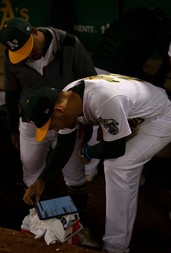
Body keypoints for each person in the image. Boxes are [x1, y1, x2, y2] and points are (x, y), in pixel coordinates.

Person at [23, 73, 171, 253]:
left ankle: (116, 249)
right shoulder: (68, 97)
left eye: (51, 125)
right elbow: (64, 145)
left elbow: (115, 149)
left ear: (59, 111)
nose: (53, 129)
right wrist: (42, 179)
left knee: (118, 166)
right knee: (116, 163)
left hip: (163, 115)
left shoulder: (104, 100)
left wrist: (88, 152)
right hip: (139, 113)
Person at [0, 17, 99, 224]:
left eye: (29, 48)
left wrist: (86, 124)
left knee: (74, 175)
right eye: (21, 53)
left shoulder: (69, 43)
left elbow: (91, 83)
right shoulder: (13, 56)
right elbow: (11, 92)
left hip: (66, 120)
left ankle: (80, 226)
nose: (28, 55)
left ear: (35, 31)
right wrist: (12, 129)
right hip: (31, 123)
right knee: (31, 172)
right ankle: (34, 223)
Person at [92, 7, 171, 88]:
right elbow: (168, 58)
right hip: (115, 75)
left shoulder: (131, 16)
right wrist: (158, 83)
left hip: (93, 69)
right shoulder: (156, 23)